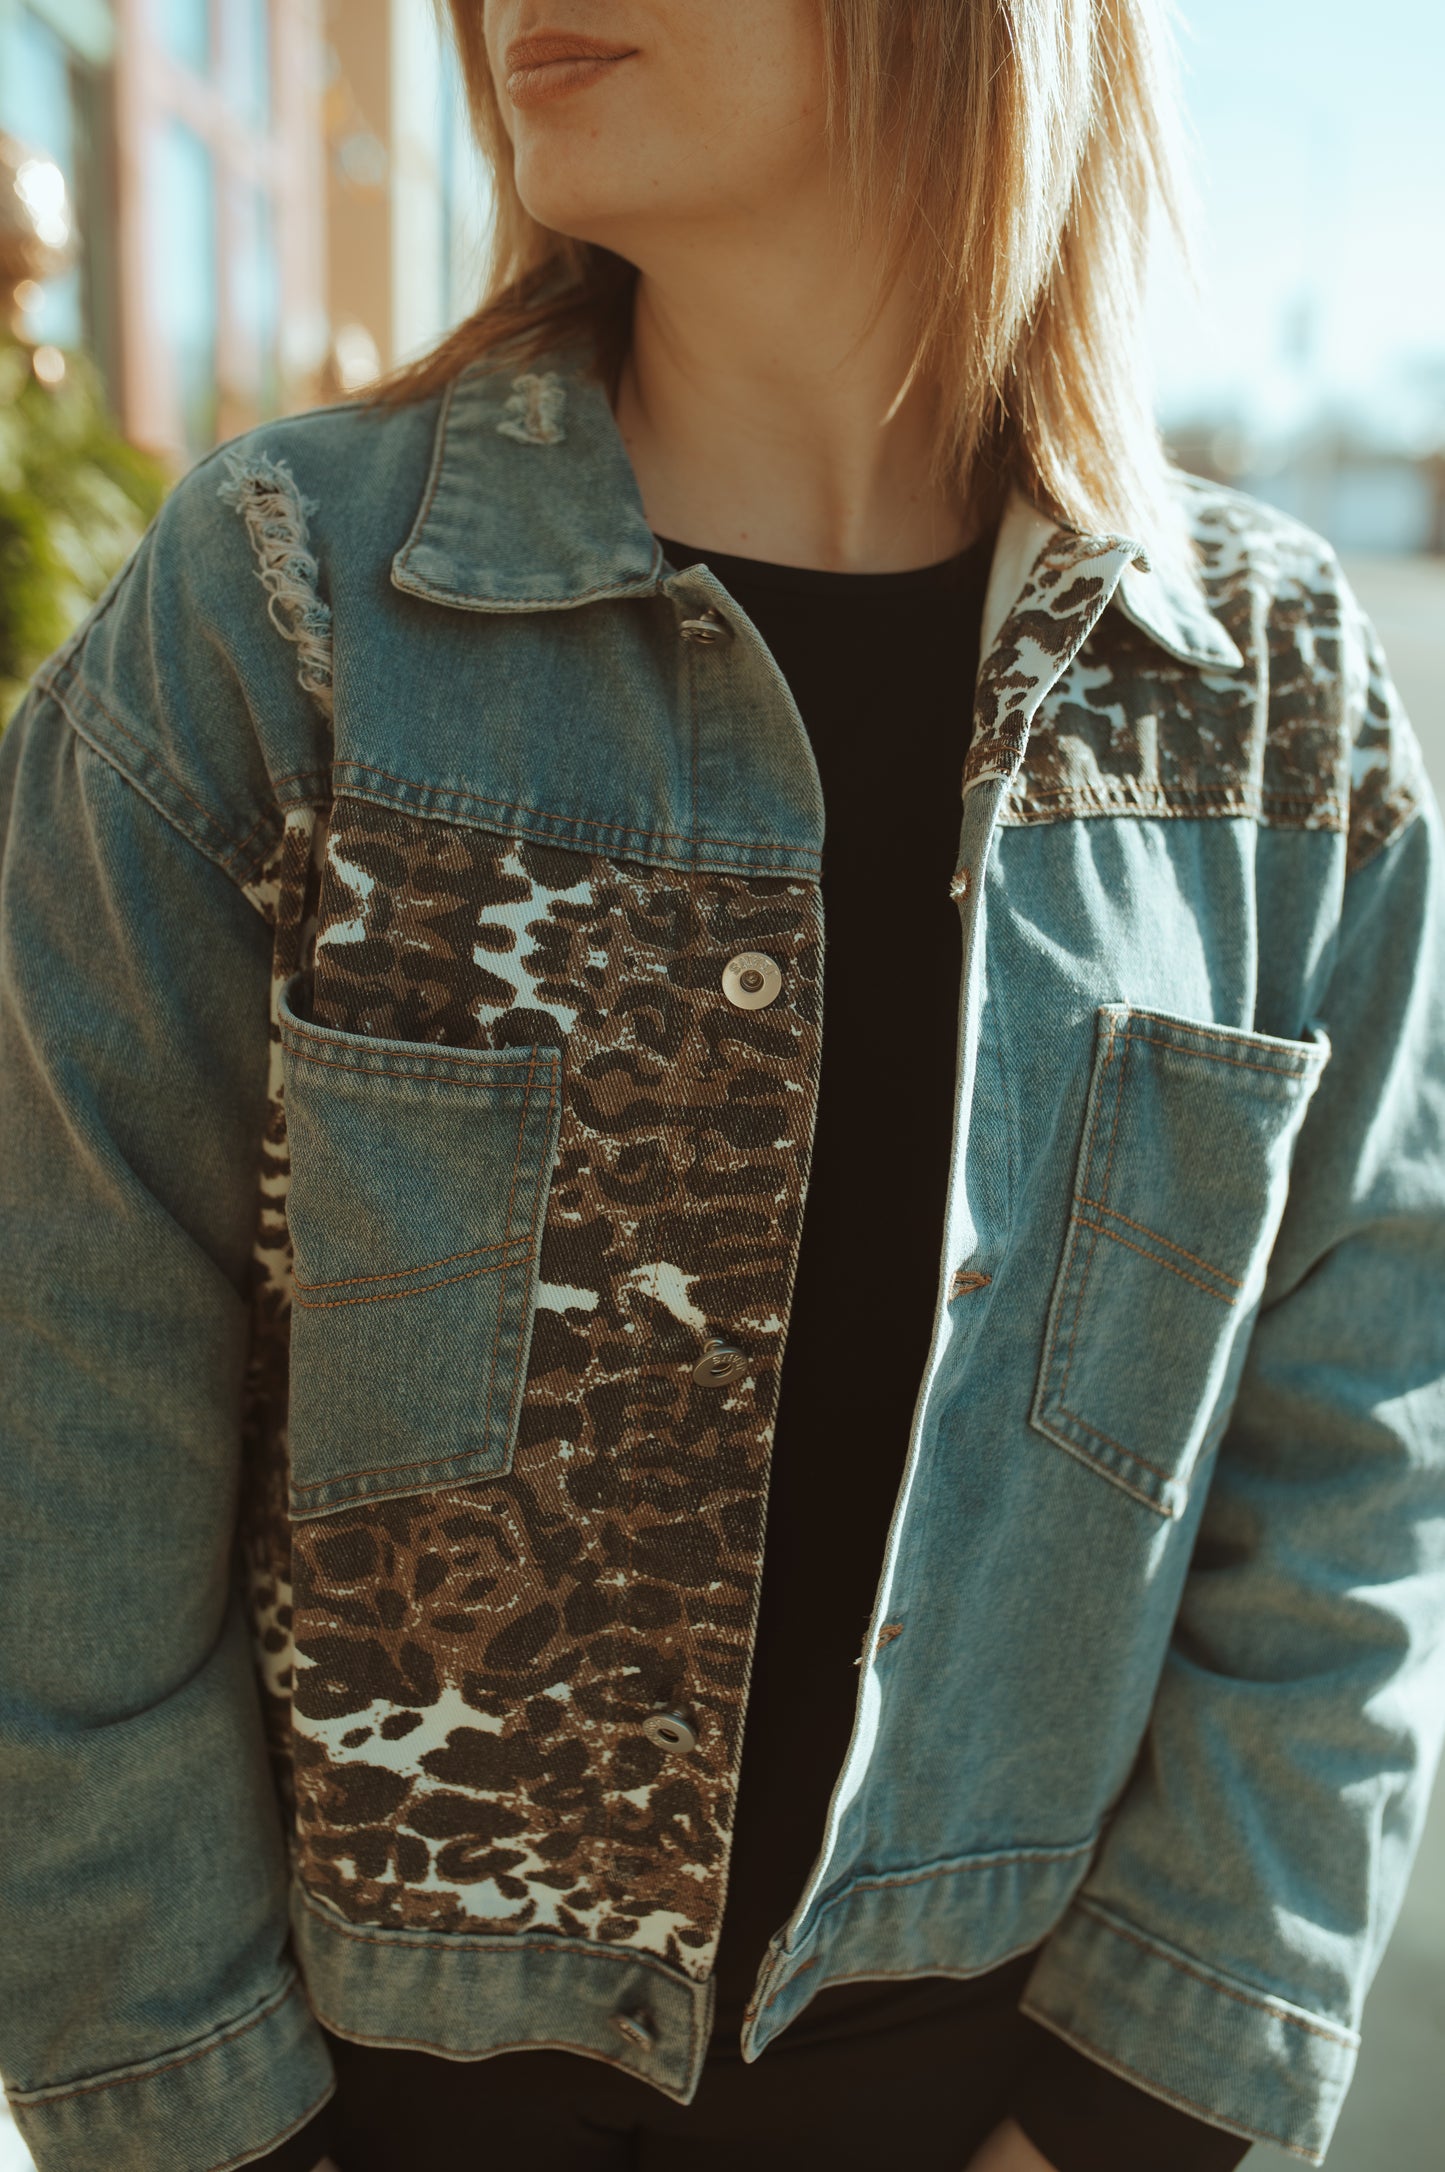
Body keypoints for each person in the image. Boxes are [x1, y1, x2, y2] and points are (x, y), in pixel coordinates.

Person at [3, 3, 1444, 2169]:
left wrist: (1134, 2116)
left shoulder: (1272, 710)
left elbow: (1355, 1468)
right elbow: (54, 1465)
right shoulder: (285, 622)